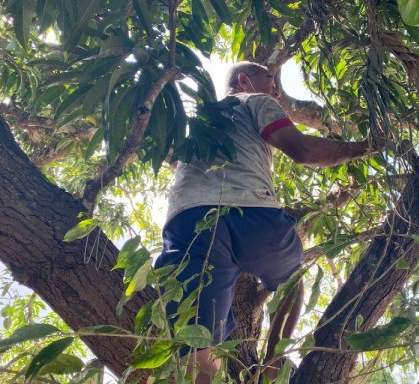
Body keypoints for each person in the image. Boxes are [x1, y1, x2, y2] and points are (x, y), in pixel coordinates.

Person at [155, 61, 380, 383]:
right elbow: (303, 150)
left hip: (188, 222)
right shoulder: (253, 101)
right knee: (292, 281)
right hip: (250, 213)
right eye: (270, 81)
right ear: (244, 81)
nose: (275, 91)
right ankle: (272, 367)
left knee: (196, 346)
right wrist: (368, 146)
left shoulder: (196, 120)